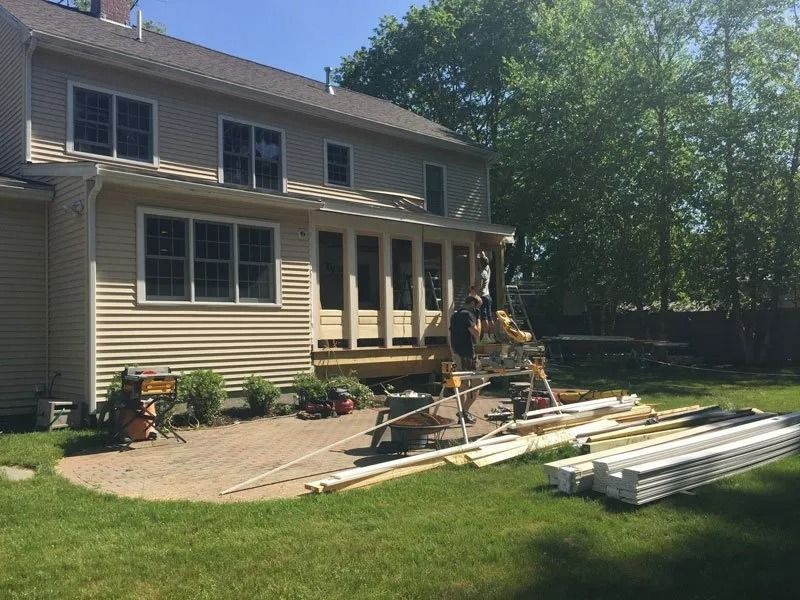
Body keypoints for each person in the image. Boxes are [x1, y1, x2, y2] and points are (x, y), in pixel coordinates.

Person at [449, 295, 483, 424]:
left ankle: (463, 415)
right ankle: (464, 411)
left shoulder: (455, 315)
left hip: (457, 353)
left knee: (462, 386)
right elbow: (477, 333)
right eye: (478, 307)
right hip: (467, 355)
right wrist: (478, 319)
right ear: (474, 305)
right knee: (478, 384)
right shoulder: (467, 315)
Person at [475, 252, 495, 341]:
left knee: (484, 317)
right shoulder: (488, 268)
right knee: (490, 317)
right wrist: (481, 254)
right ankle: (492, 336)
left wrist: (475, 290)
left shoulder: (482, 273)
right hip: (488, 296)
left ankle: (486, 336)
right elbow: (484, 260)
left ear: (480, 263)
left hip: (482, 296)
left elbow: (480, 286)